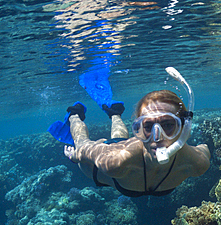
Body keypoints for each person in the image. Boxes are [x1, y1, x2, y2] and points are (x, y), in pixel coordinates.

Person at [60, 70, 211, 197]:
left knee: (118, 138)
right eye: (148, 126)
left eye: (168, 125)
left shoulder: (198, 163)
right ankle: (74, 114)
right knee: (82, 142)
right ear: (138, 129)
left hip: (125, 156)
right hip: (98, 167)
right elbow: (86, 149)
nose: (157, 137)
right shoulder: (116, 163)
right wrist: (75, 156)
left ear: (184, 128)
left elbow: (204, 148)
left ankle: (114, 113)